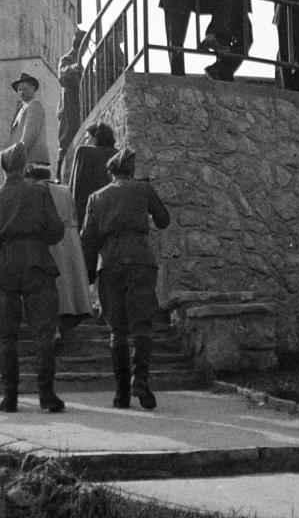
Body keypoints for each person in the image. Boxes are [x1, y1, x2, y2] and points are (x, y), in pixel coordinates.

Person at [0, 141, 66, 413]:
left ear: (2, 167)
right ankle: (47, 396)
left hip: (4, 267)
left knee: (6, 336)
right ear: (24, 165)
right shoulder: (39, 192)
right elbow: (56, 230)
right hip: (37, 261)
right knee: (44, 332)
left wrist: (3, 252)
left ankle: (9, 398)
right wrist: (37, 241)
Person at [80, 147, 172, 410]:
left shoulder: (96, 197)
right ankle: (140, 380)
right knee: (142, 325)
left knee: (117, 330)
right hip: (140, 259)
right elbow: (164, 220)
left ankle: (121, 393)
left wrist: (87, 274)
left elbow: (88, 239)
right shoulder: (143, 190)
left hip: (108, 263)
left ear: (111, 173)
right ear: (131, 170)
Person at [29, 163, 91, 348]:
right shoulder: (65, 190)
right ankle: (66, 321)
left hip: (51, 241)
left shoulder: (38, 191)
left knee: (54, 285)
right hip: (70, 240)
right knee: (70, 284)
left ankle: (54, 328)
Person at [66, 120, 116, 230]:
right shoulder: (117, 155)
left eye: (88, 138)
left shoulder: (84, 152)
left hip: (86, 211)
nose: (86, 142)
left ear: (95, 138)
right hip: (111, 214)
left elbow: (75, 183)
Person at [55, 28, 86, 173]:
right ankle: (59, 173)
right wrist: (76, 67)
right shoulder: (67, 59)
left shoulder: (83, 59)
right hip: (68, 105)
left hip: (79, 103)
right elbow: (63, 76)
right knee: (65, 139)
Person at [9, 71, 50, 173]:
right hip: (26, 158)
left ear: (33, 88)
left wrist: (17, 156)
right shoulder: (23, 107)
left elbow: (30, 133)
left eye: (25, 89)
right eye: (19, 90)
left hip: (32, 158)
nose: (22, 92)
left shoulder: (34, 105)